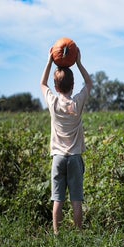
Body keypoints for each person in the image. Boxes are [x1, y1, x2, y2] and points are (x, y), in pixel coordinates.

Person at [40, 47, 93, 235]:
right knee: (76, 199)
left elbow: (42, 83)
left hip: (58, 158)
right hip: (75, 158)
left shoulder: (53, 103)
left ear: (56, 87)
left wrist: (49, 61)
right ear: (73, 85)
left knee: (57, 199)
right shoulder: (77, 103)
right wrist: (78, 62)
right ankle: (78, 235)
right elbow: (89, 83)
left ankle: (57, 235)